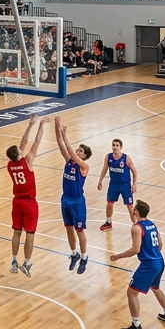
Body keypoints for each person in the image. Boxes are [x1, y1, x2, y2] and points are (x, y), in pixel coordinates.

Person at [109, 199, 165, 329]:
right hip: (160, 261)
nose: (132, 209)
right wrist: (153, 254)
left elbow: (135, 249)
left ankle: (136, 326)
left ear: (136, 211)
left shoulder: (137, 227)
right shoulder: (152, 224)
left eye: (134, 208)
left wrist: (118, 256)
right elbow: (160, 244)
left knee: (131, 293)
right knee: (155, 288)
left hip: (149, 265)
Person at [6, 116, 48, 276]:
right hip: (29, 203)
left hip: (16, 202)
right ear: (18, 154)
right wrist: (40, 125)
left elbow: (22, 144)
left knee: (16, 232)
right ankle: (27, 263)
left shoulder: (10, 165)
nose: (22, 148)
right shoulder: (27, 160)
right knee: (30, 233)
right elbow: (36, 142)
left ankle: (14, 261)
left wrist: (30, 124)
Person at [54, 115, 91, 274]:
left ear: (85, 155)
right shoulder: (69, 161)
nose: (77, 151)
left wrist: (65, 134)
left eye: (80, 151)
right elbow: (61, 145)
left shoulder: (84, 165)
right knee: (68, 228)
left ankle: (84, 257)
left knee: (79, 230)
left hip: (77, 201)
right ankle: (74, 254)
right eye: (78, 149)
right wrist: (57, 127)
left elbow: (69, 149)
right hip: (65, 199)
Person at [97, 138, 138, 230]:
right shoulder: (108, 157)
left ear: (121, 147)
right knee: (109, 203)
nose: (115, 147)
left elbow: (134, 171)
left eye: (117, 145)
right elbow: (104, 169)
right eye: (113, 145)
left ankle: (137, 224)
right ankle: (108, 222)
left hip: (125, 185)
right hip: (113, 184)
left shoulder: (126, 158)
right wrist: (100, 180)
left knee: (130, 206)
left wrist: (134, 184)